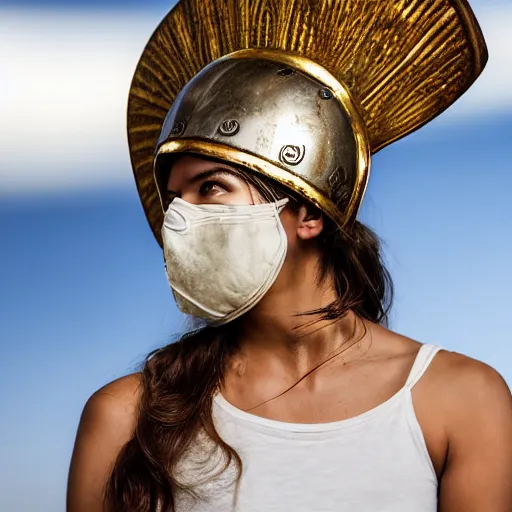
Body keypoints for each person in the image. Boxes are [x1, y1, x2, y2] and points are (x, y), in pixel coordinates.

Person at [67, 0, 512, 510]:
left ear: (308, 213)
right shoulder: (123, 417)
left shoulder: (460, 400)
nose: (179, 220)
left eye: (211, 187)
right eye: (174, 198)